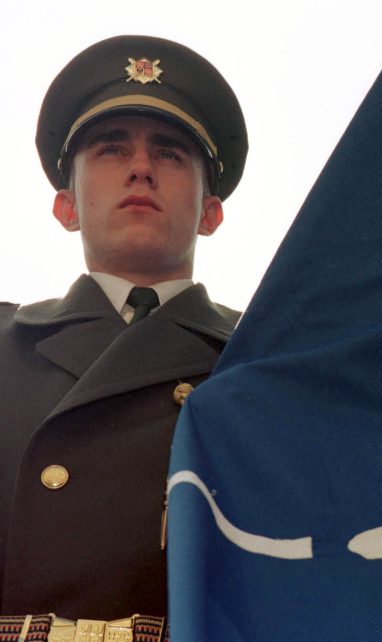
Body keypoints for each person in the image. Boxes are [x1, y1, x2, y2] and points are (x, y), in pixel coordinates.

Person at [0, 34, 248, 632]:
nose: (141, 167)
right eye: (112, 149)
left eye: (170, 153)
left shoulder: (262, 357)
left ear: (210, 212)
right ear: (66, 207)